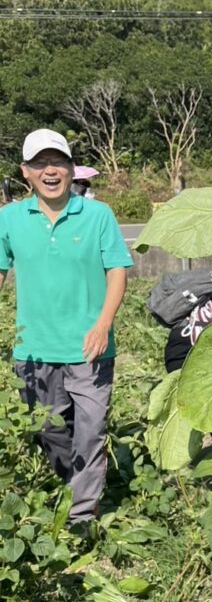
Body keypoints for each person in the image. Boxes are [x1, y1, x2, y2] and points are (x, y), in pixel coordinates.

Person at [0, 129, 132, 523]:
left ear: (72, 169)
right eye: (40, 163)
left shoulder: (98, 215)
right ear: (26, 172)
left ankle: (81, 519)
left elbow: (117, 271)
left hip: (89, 348)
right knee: (49, 429)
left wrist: (103, 323)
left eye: (58, 162)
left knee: (89, 433)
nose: (50, 171)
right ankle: (69, 485)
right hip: (34, 350)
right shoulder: (9, 218)